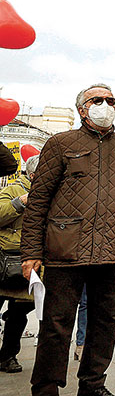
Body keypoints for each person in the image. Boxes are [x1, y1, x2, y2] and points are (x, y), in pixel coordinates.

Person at [20, 83, 115, 396]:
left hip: (112, 251)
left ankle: (93, 384)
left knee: (105, 323)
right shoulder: (60, 143)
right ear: (83, 108)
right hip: (65, 250)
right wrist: (31, 251)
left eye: (111, 100)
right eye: (98, 100)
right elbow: (39, 198)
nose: (106, 105)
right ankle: (45, 387)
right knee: (56, 325)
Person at [0, 155, 39, 373]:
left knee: (19, 312)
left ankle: (7, 356)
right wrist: (20, 202)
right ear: (33, 175)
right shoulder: (13, 190)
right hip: (5, 260)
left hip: (27, 261)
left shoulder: (48, 193)